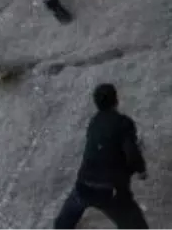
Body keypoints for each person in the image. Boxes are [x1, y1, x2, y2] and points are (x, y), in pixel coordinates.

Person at [54, 83, 149, 230]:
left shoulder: (94, 122)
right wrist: (140, 169)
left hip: (84, 184)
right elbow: (131, 154)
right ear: (116, 100)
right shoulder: (123, 123)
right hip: (109, 190)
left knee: (67, 217)